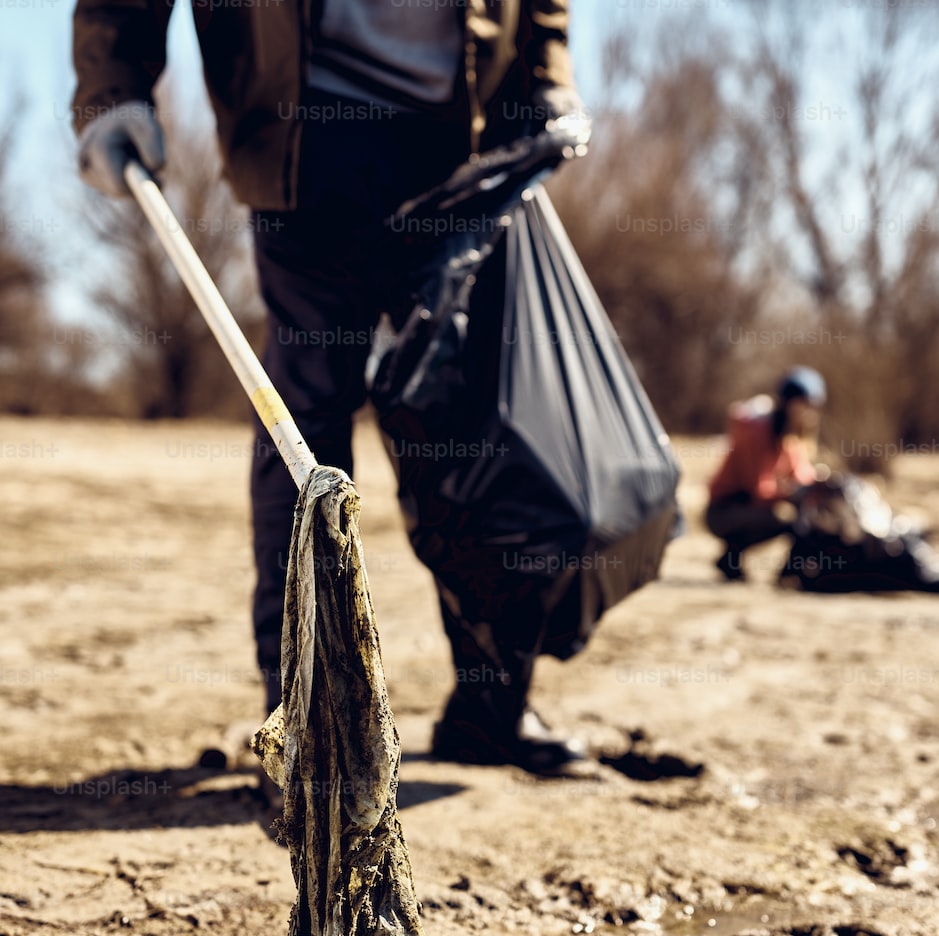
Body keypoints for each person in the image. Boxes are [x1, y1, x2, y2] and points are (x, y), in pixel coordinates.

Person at [72, 1, 591, 774]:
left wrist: (545, 78)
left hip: (459, 132)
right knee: (304, 417)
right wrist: (113, 89)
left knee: (470, 420)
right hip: (303, 129)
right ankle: (307, 719)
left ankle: (492, 703)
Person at [706, 367, 827, 582]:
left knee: (807, 512)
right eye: (806, 404)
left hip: (746, 508)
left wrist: (820, 486)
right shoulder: (758, 433)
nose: (811, 413)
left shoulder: (791, 436)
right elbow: (759, 489)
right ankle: (787, 572)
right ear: (789, 403)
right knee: (788, 519)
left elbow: (803, 474)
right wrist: (792, 492)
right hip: (722, 511)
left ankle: (732, 559)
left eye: (814, 406)